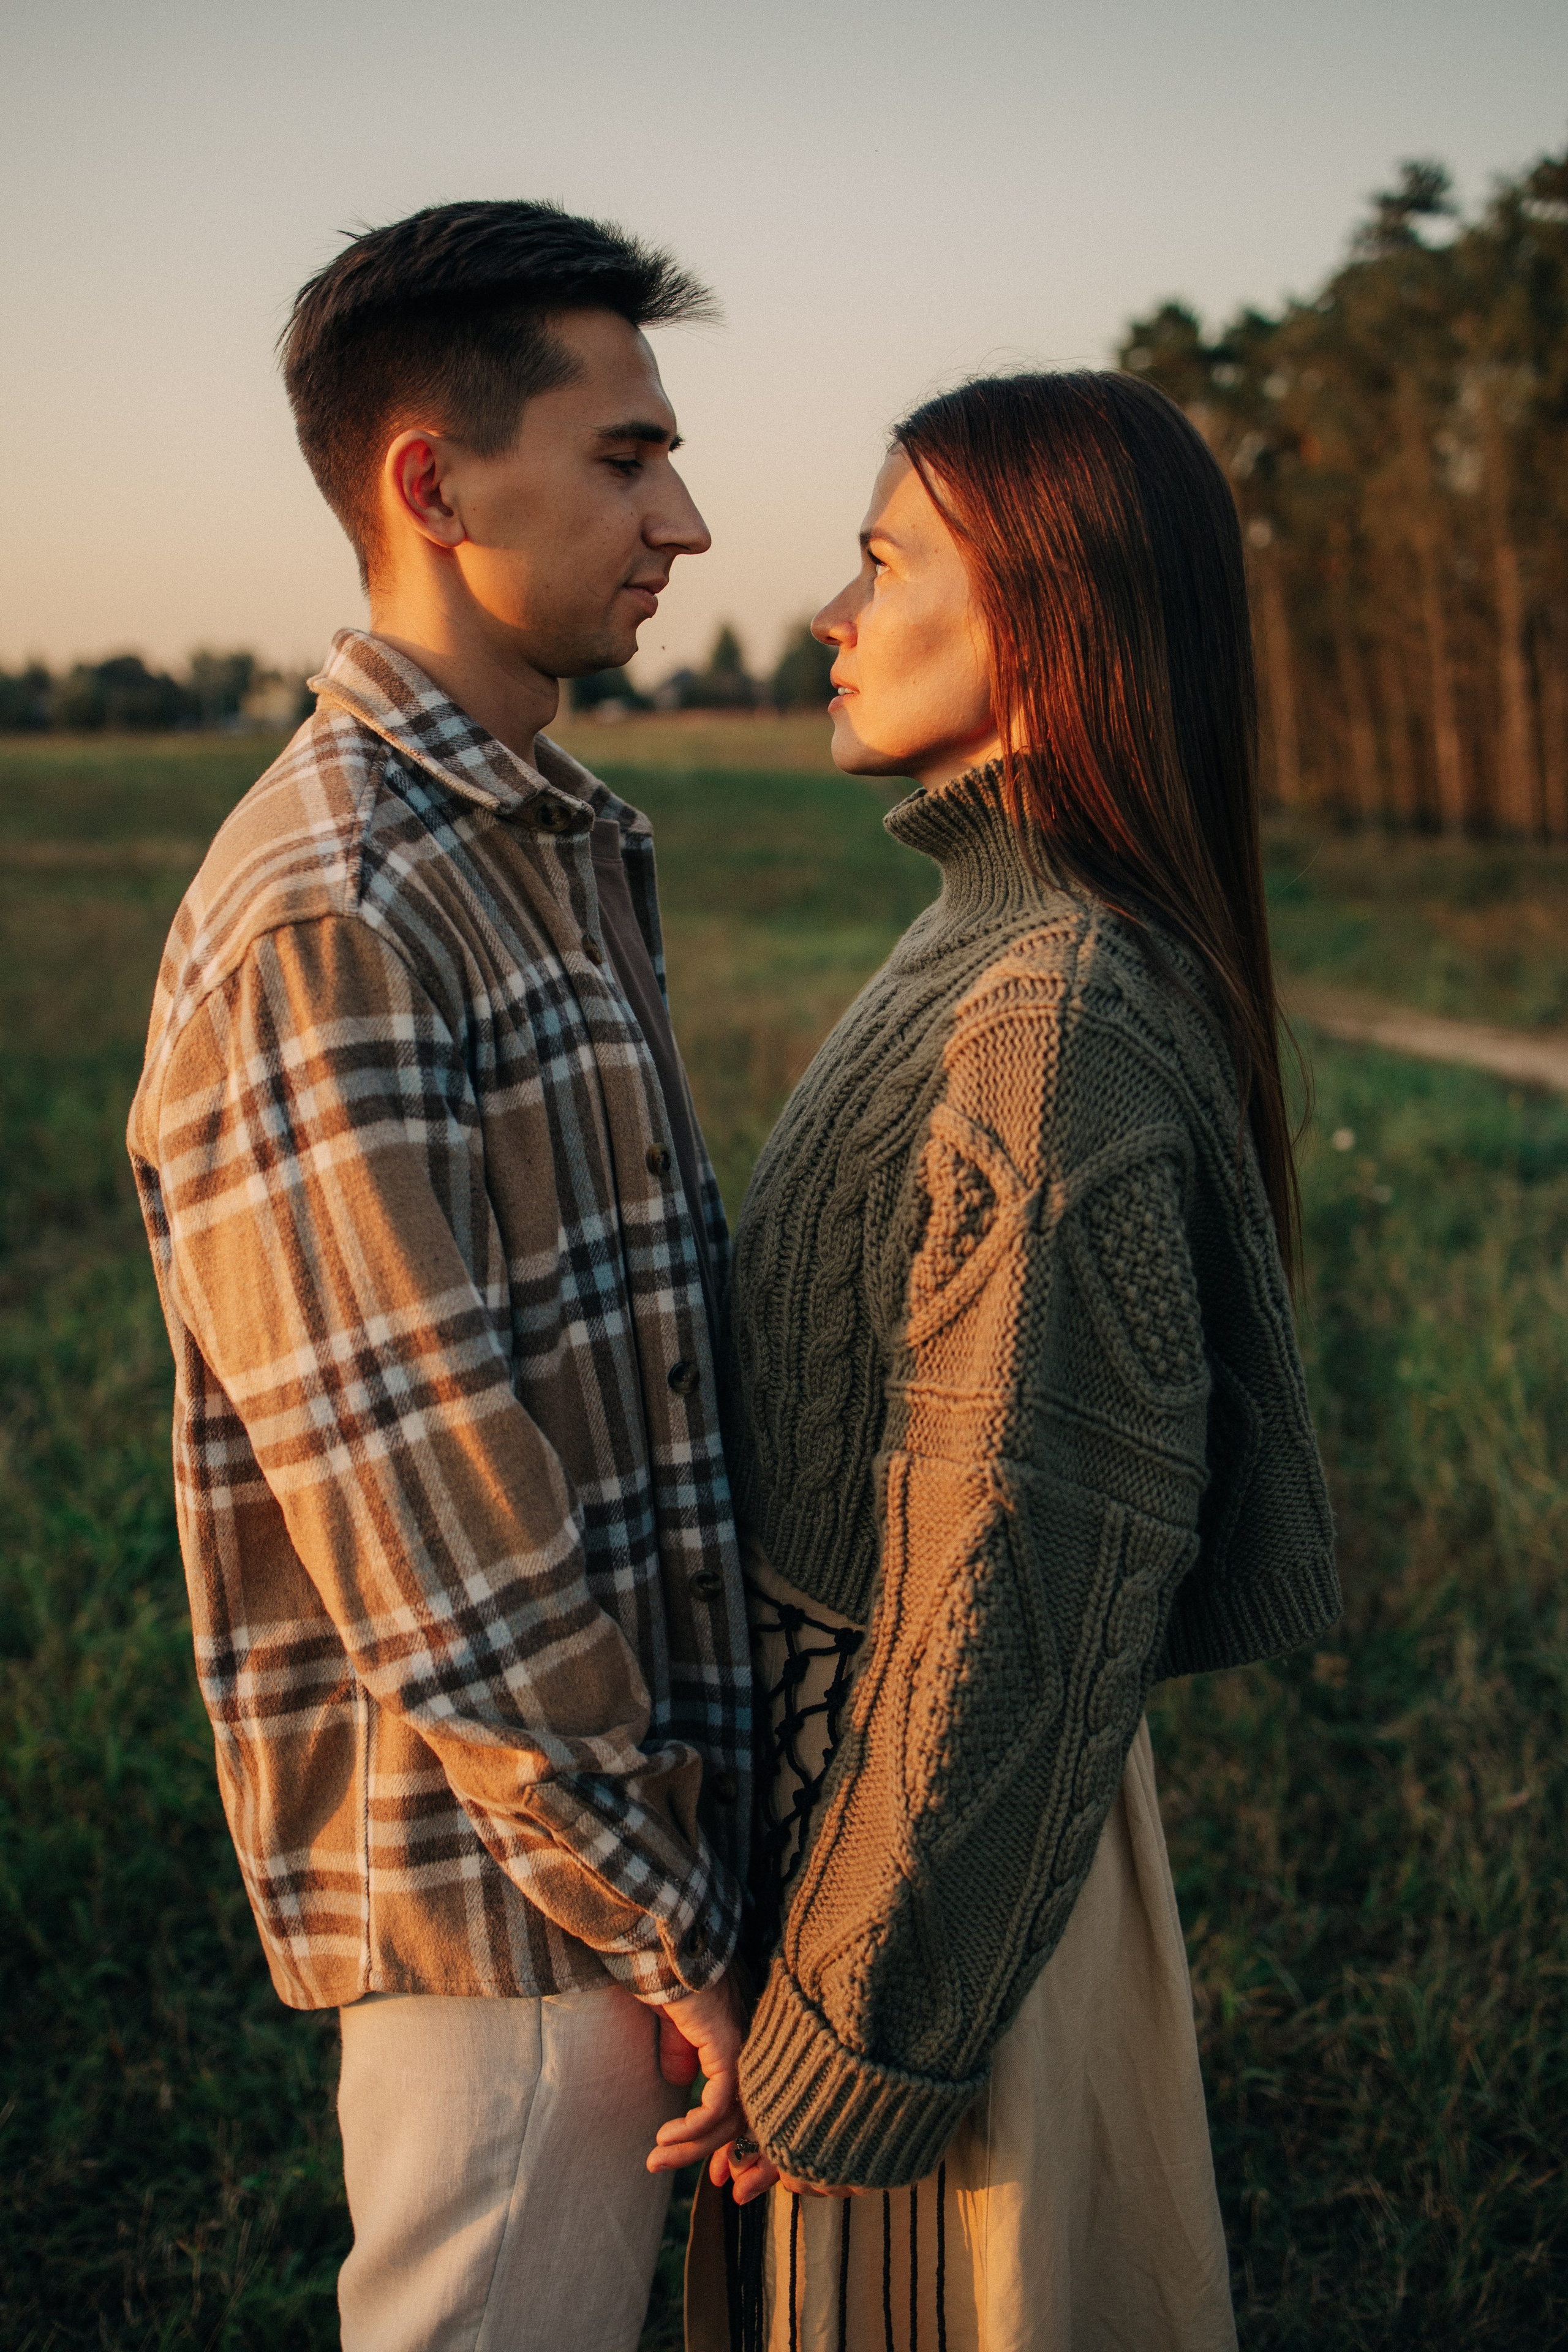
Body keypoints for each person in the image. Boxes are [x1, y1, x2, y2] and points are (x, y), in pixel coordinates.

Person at [127, 200, 754, 2352]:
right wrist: (663, 1918)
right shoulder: (338, 908)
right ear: (433, 481)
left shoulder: (537, 842)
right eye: (626, 459)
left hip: (621, 1862)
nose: (684, 522)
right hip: (515, 1922)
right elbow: (431, 1528)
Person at [663, 371, 1341, 2350]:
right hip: (879, 1851)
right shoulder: (984, 936)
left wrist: (850, 2039)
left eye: (884, 563)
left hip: (928, 1902)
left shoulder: (1054, 1016)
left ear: (1047, 613)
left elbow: (1007, 1608)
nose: (831, 614)